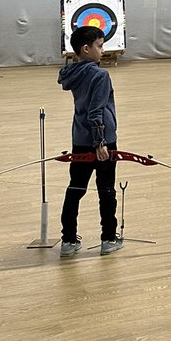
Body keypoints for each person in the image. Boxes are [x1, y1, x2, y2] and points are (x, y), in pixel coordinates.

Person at [58, 26, 123, 257]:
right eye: (99, 46)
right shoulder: (99, 74)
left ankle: (67, 241)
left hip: (80, 139)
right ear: (86, 49)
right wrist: (101, 143)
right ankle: (108, 239)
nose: (102, 51)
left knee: (75, 189)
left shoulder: (74, 72)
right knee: (106, 190)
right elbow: (95, 112)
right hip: (101, 142)